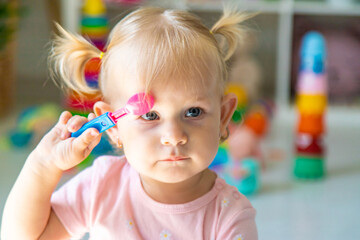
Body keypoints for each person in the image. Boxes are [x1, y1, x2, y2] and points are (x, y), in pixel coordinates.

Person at [1, 7, 258, 240]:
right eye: (150, 115)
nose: (174, 135)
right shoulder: (102, 186)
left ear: (223, 116)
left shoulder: (230, 217)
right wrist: (42, 166)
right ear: (113, 126)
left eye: (193, 112)